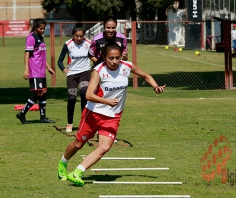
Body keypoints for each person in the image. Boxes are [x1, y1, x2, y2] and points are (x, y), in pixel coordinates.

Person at [57, 42, 166, 187]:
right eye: (111, 58)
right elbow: (88, 95)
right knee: (78, 144)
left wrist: (156, 87)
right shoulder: (98, 70)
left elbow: (145, 75)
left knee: (104, 147)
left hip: (113, 116)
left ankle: (77, 172)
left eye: (117, 58)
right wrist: (106, 101)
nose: (115, 61)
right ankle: (63, 163)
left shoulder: (127, 66)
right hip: (93, 113)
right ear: (104, 57)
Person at [16, 18, 56, 124]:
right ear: (35, 27)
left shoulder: (40, 37)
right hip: (35, 70)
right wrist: (26, 70)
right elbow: (27, 54)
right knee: (38, 93)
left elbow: (42, 56)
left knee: (43, 93)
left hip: (42, 71)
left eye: (44, 28)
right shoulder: (31, 38)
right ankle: (22, 114)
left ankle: (43, 117)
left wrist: (49, 68)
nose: (42, 30)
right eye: (40, 28)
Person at [57, 22, 92, 132]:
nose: (79, 38)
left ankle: (84, 121)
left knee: (83, 93)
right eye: (77, 36)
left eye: (81, 36)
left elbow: (95, 56)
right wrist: (63, 68)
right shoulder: (68, 44)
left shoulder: (89, 43)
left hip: (85, 72)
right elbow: (60, 61)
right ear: (73, 35)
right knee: (72, 98)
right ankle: (70, 123)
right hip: (72, 74)